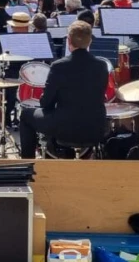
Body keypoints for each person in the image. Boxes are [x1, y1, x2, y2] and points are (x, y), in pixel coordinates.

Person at [18, 21, 106, 159]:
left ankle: (27, 163)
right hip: (96, 127)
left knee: (25, 115)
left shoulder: (59, 66)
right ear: (90, 42)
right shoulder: (102, 65)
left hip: (66, 128)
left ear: (69, 41)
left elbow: (46, 103)